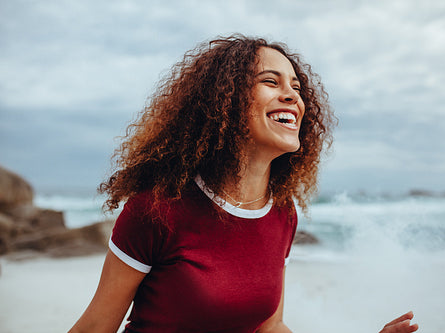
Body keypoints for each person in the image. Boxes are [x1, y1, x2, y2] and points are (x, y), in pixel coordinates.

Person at [69, 35, 418, 333]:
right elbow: (95, 328)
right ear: (225, 100)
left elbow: (269, 327)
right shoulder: (159, 208)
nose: (293, 97)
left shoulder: (282, 213)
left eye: (296, 88)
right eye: (271, 82)